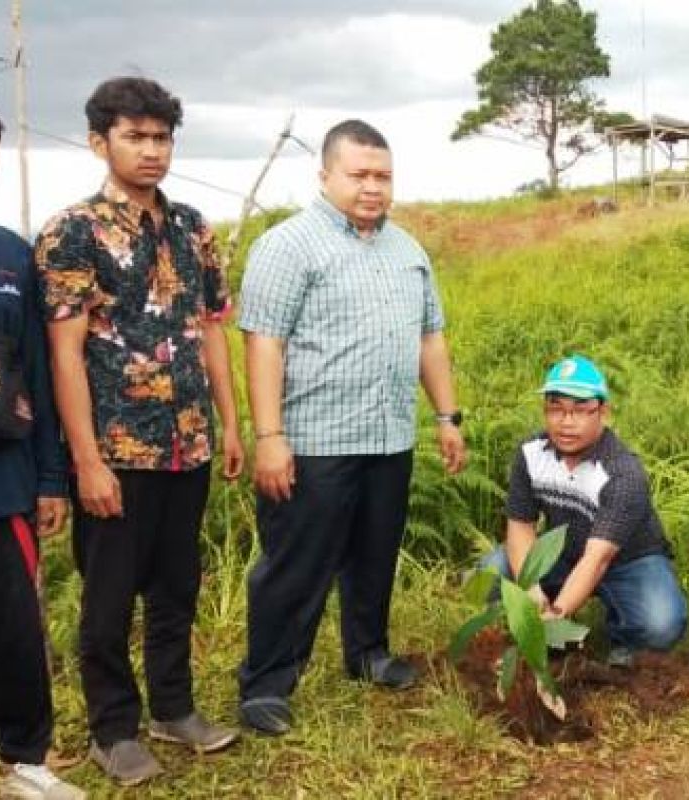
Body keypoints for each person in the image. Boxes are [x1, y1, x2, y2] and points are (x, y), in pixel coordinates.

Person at [36, 77, 243, 787]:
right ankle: (113, 728)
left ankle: (174, 709)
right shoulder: (73, 232)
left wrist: (232, 422)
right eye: (136, 136)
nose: (152, 150)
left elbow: (212, 331)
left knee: (177, 585)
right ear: (101, 142)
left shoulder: (191, 228)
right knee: (108, 597)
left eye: (161, 137)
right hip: (117, 451)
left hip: (189, 444)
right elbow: (64, 354)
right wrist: (85, 461)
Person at [236, 119, 467, 735]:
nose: (372, 187)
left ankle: (367, 653)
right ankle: (267, 684)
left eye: (382, 176)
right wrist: (269, 437)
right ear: (326, 175)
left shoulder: (407, 250)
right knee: (297, 562)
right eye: (359, 174)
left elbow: (429, 337)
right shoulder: (288, 245)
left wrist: (446, 416)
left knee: (374, 555)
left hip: (389, 438)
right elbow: (265, 346)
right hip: (312, 442)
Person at [480, 356, 687, 666]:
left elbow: (598, 559)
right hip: (564, 552)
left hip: (628, 561)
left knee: (661, 625)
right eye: (556, 409)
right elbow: (520, 526)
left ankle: (622, 641)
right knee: (493, 570)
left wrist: (556, 615)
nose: (566, 421)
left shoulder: (622, 472)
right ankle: (528, 628)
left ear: (602, 411)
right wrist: (531, 590)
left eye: (579, 410)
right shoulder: (530, 453)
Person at [0, 105, 85, 800]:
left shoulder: (12, 256)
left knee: (17, 630)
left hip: (5, 481)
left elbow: (46, 375)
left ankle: (24, 757)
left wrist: (53, 476)